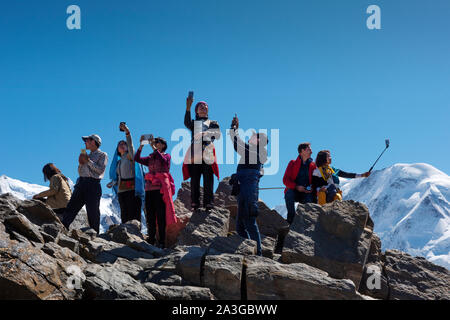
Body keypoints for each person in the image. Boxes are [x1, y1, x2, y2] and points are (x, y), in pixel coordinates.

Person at [230, 115, 268, 256]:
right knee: (240, 225)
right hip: (245, 188)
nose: (250, 137)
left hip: (247, 190)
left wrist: (234, 128)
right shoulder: (255, 152)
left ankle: (258, 254)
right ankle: (249, 251)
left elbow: (236, 142)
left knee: (249, 222)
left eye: (253, 136)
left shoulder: (253, 150)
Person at [135, 135, 177, 248]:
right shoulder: (150, 157)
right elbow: (137, 159)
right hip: (149, 189)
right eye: (155, 142)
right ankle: (151, 238)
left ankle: (162, 241)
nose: (155, 143)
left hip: (160, 190)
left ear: (163, 145)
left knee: (161, 215)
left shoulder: (167, 156)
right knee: (150, 215)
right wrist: (141, 146)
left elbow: (163, 162)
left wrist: (154, 149)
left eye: (158, 142)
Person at [62, 134, 108, 234]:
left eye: (87, 140)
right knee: (71, 207)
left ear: (93, 141)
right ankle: (62, 229)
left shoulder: (102, 155)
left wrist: (88, 161)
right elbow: (80, 171)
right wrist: (81, 163)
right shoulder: (87, 155)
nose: (85, 143)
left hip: (93, 184)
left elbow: (100, 170)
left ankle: (94, 235)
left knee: (93, 212)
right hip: (81, 183)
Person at [182, 95, 221, 210]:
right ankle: (195, 203)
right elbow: (186, 122)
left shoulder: (213, 122)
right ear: (196, 111)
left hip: (208, 150)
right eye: (200, 106)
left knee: (208, 177)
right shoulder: (195, 123)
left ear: (208, 109)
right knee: (195, 178)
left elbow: (217, 135)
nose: (203, 107)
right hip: (195, 152)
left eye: (205, 106)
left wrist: (204, 134)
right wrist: (188, 107)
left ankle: (209, 202)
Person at [107, 123, 144, 225]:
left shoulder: (130, 157)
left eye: (124, 144)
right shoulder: (118, 163)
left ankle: (135, 234)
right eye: (120, 144)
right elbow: (119, 176)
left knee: (134, 212)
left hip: (132, 189)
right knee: (125, 212)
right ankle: (125, 234)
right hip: (122, 190)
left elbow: (131, 145)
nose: (122, 145)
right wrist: (113, 183)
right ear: (117, 150)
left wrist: (127, 133)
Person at [283, 142, 317, 224]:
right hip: (294, 190)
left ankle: (306, 224)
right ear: (302, 151)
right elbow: (285, 180)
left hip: (307, 192)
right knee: (289, 194)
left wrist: (311, 188)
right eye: (309, 149)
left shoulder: (313, 166)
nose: (311, 152)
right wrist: (296, 187)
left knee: (309, 200)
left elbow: (315, 181)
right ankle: (290, 220)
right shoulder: (292, 163)